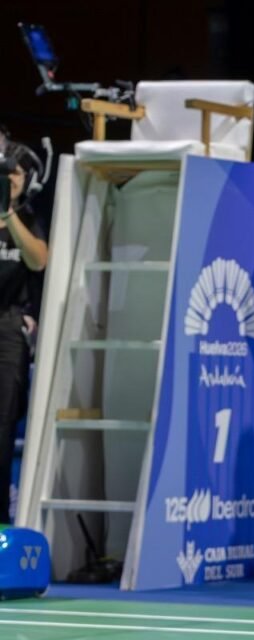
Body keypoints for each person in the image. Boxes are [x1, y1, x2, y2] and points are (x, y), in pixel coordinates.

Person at [0, 141, 47, 524]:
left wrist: (8, 213)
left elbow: (38, 259)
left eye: (14, 173)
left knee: (2, 427)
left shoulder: (29, 216)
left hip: (9, 328)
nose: (9, 179)